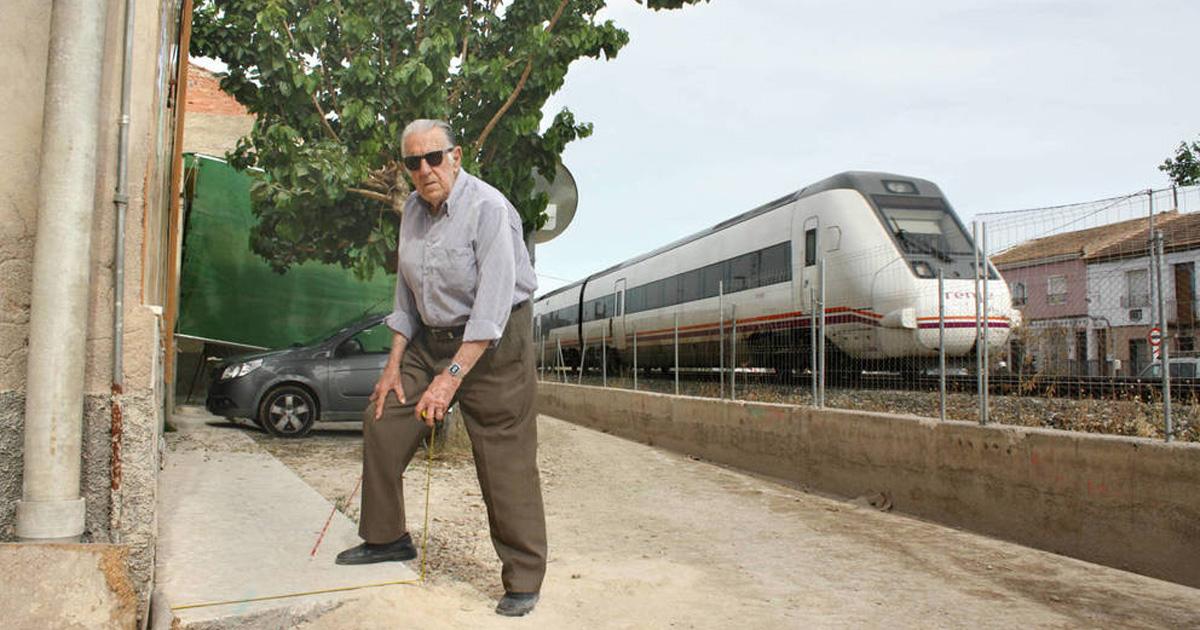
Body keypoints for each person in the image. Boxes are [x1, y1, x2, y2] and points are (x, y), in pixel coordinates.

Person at [335, 119, 546, 618]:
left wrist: (449, 380)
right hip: (430, 337)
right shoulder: (411, 209)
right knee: (383, 418)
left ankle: (524, 576)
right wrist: (393, 367)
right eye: (413, 162)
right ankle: (387, 538)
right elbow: (405, 297)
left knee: (502, 456)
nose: (425, 170)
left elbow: (492, 308)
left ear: (456, 155)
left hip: (495, 345)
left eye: (434, 157)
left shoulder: (490, 209)